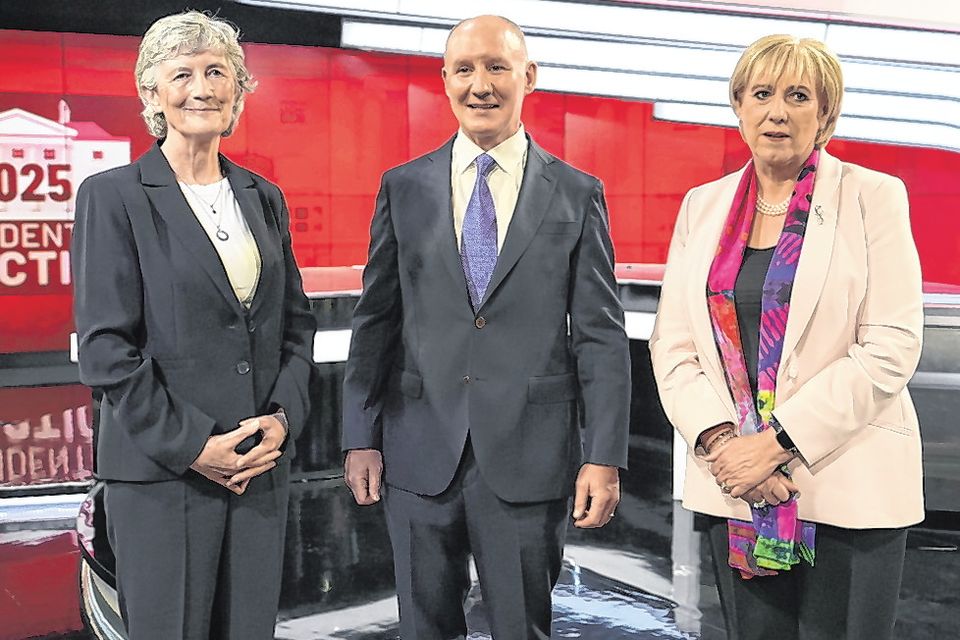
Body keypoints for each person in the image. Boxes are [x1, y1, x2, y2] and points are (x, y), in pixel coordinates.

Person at [341, 14, 630, 640]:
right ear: (444, 80)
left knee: (522, 629)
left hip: (531, 453)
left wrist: (603, 457)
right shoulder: (403, 186)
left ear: (528, 77)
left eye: (497, 67)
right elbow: (375, 321)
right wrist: (359, 435)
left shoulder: (577, 194)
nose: (481, 85)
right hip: (416, 451)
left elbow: (600, 335)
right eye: (465, 69)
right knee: (423, 628)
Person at [650, 34, 924, 640]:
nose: (778, 110)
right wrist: (728, 447)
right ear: (739, 107)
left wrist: (777, 443)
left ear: (825, 114)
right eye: (763, 93)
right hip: (739, 487)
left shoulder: (872, 196)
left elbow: (890, 345)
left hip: (847, 486)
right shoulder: (703, 206)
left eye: (799, 96)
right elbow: (673, 348)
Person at [71, 11, 316, 639]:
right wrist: (193, 447)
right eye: (182, 74)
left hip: (257, 471)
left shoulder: (264, 196)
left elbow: (296, 325)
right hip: (162, 478)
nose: (202, 87)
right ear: (152, 94)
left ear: (238, 89)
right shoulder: (113, 196)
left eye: (217, 71)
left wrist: (282, 419)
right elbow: (106, 350)